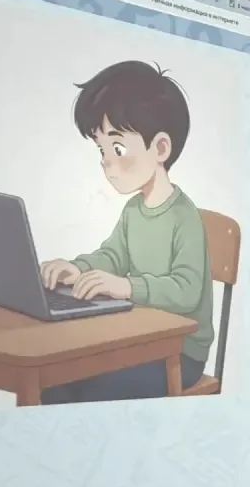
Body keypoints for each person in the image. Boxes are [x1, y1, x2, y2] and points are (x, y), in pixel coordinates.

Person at [39, 60, 213, 402]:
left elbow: (186, 291)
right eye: (101, 150)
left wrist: (126, 287)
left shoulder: (185, 217)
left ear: (160, 148)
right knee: (55, 382)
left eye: (117, 148)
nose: (107, 162)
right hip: (141, 339)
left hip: (180, 353)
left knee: (89, 389)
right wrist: (78, 268)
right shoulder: (134, 211)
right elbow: (113, 255)